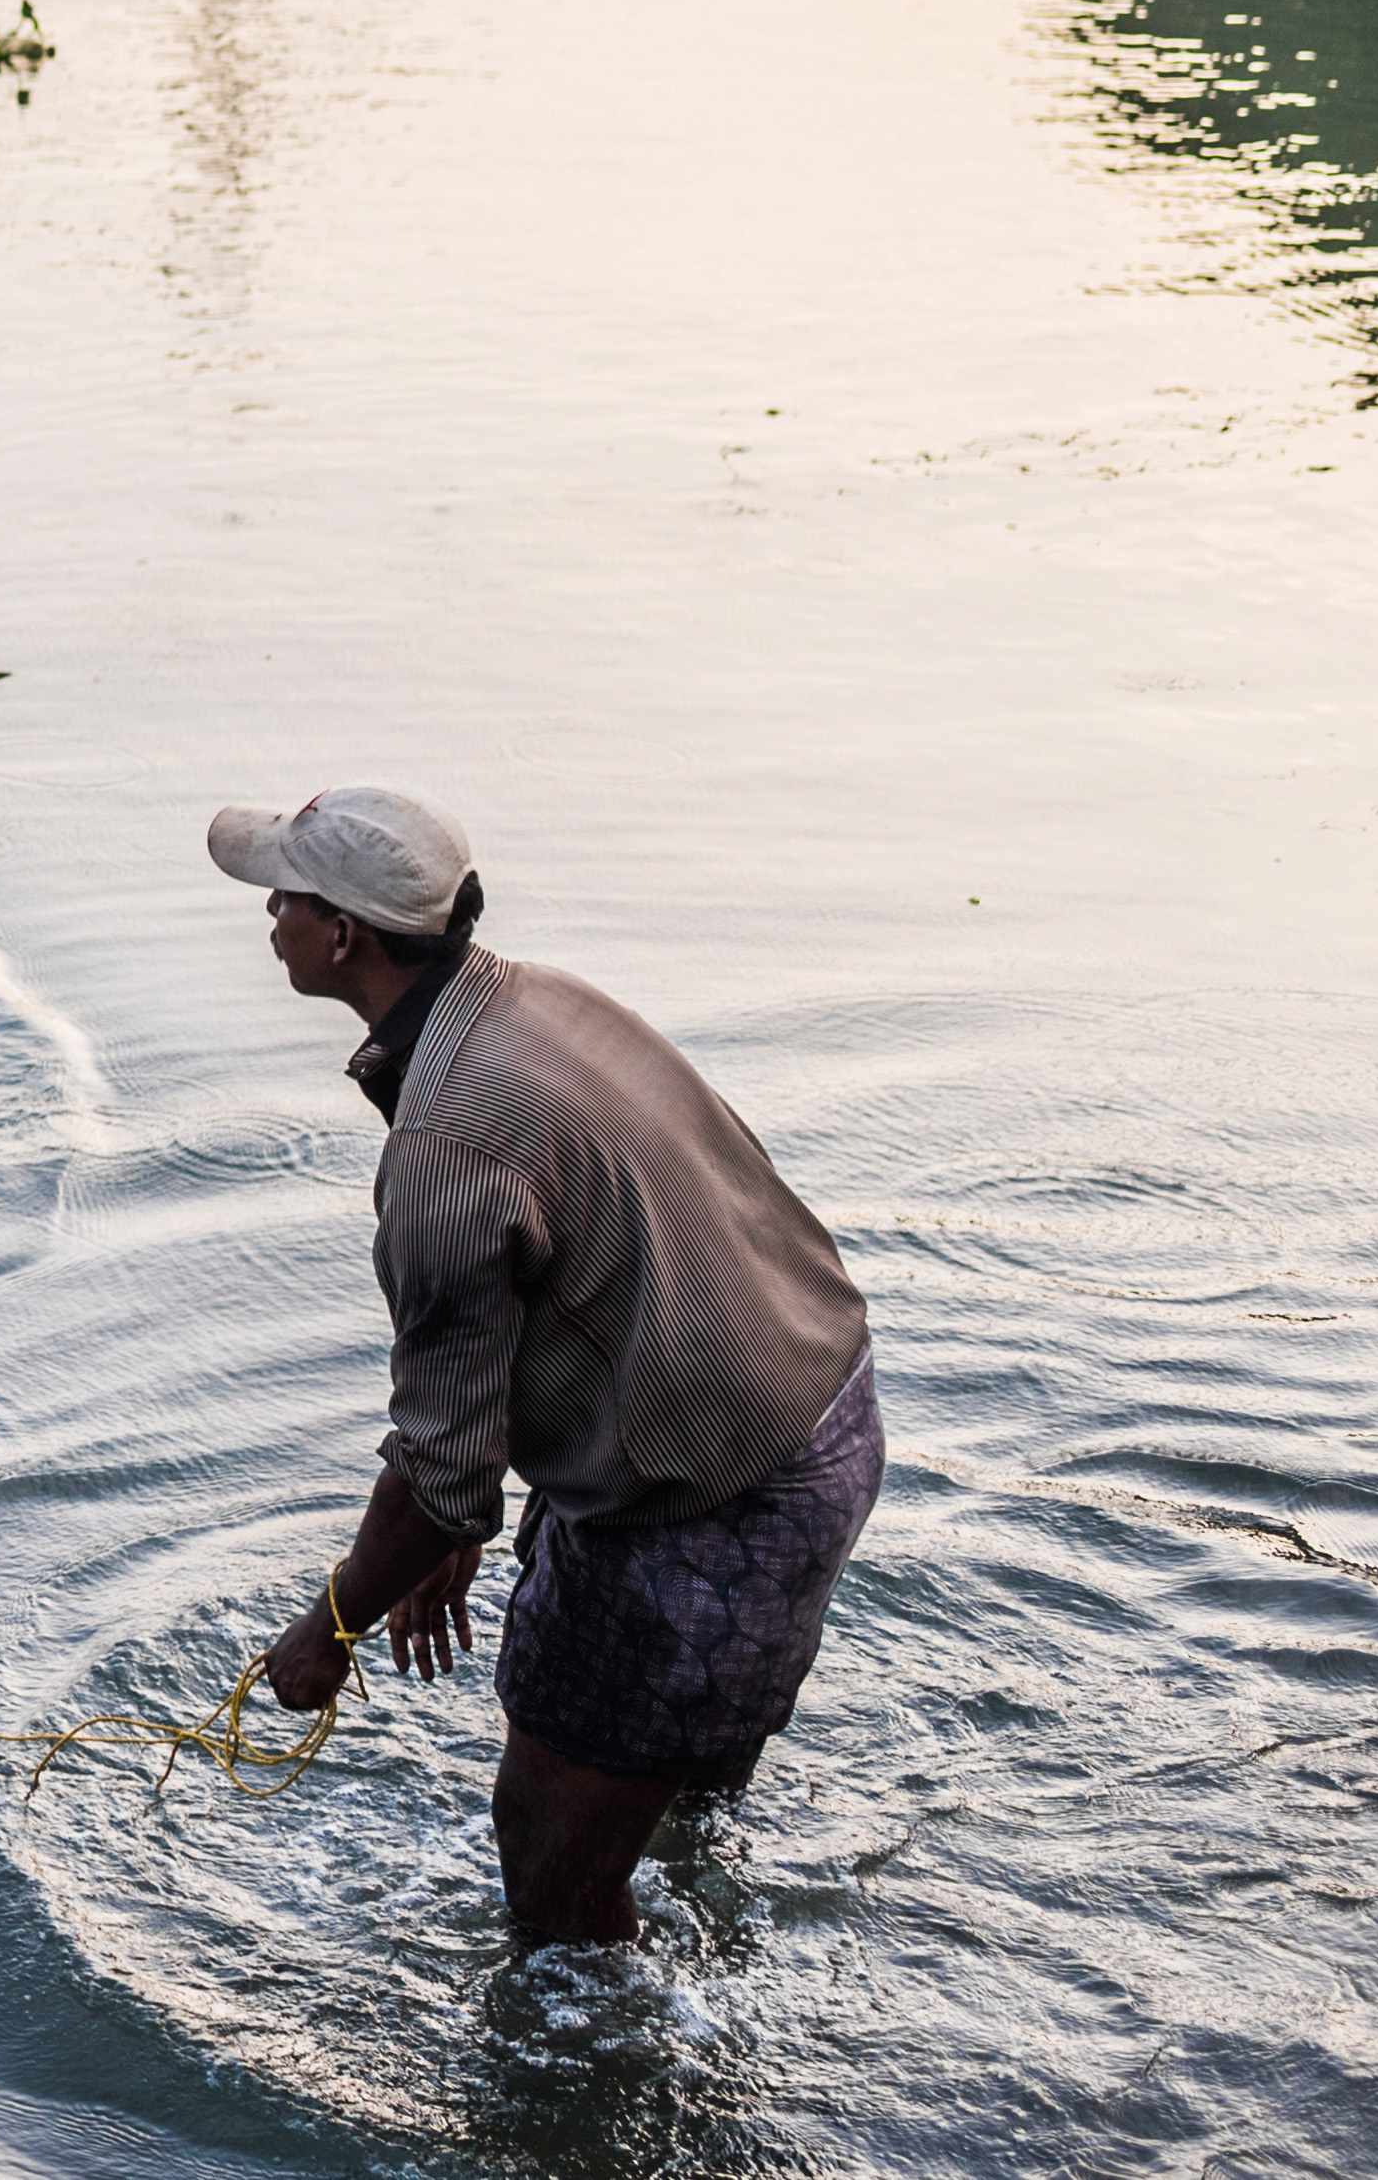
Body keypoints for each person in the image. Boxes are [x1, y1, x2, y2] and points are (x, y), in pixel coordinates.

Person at [222, 786, 879, 1950]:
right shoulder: (537, 1002)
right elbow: (570, 1272)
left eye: (286, 892)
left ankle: (618, 2089)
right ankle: (697, 1940)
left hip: (711, 1508)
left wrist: (329, 1624)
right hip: (819, 1408)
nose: (267, 909)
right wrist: (462, 1515)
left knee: (547, 1871)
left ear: (342, 937)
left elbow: (435, 1474)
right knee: (673, 1801)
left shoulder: (443, 1142)